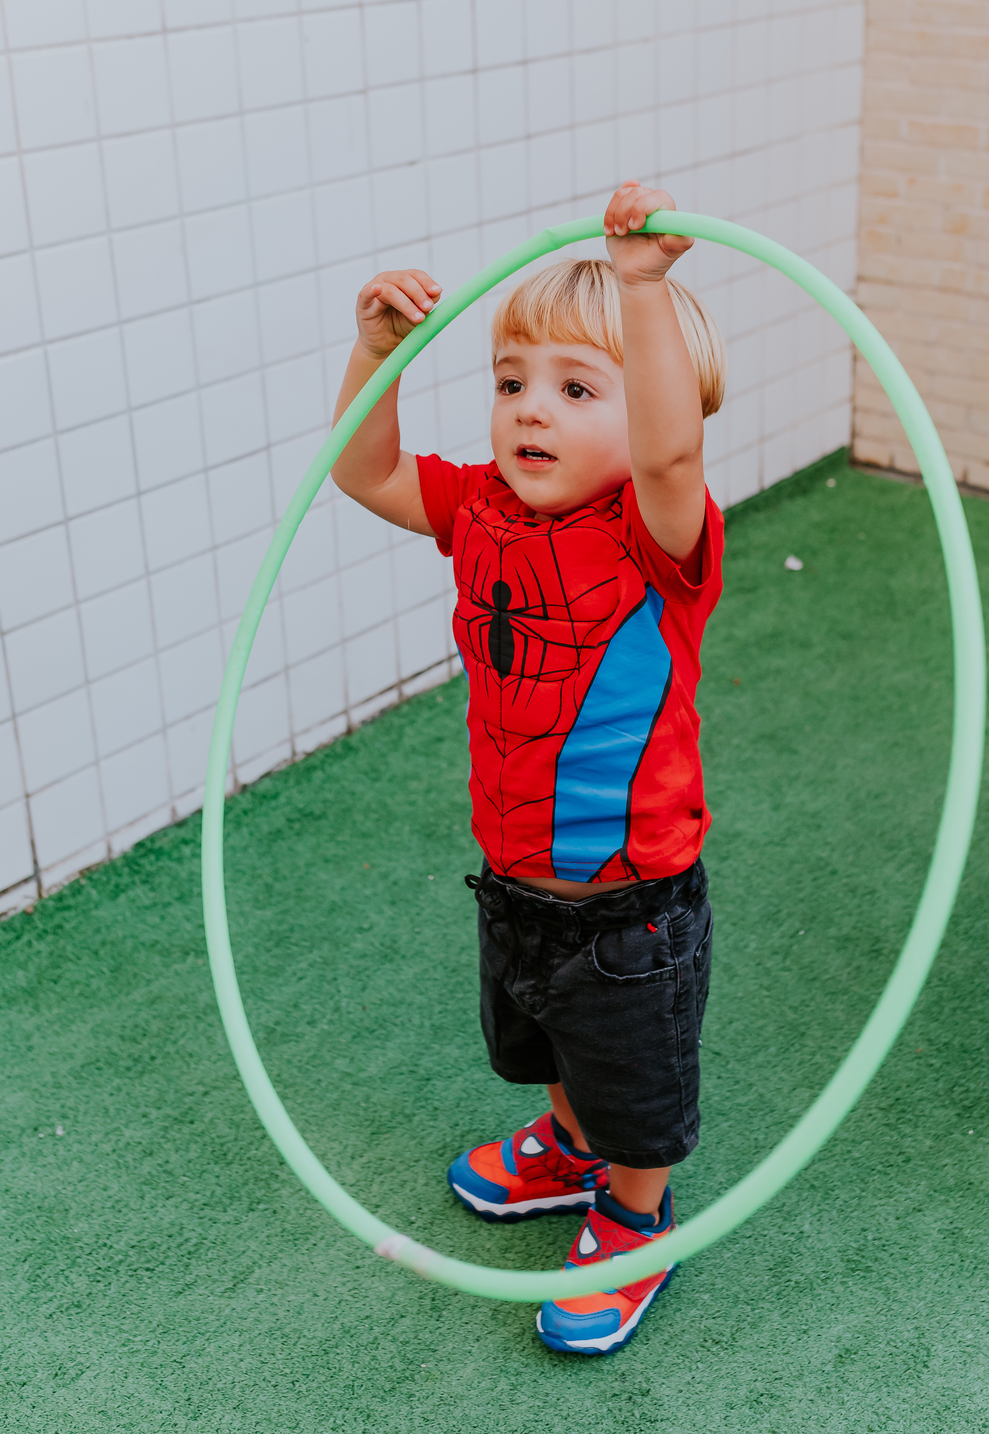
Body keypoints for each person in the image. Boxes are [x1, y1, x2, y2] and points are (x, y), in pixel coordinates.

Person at [331, 180, 726, 1355]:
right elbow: (361, 471)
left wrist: (642, 287)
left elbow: (670, 449)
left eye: (575, 388)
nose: (529, 410)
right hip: (512, 876)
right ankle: (570, 1145)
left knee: (632, 1077)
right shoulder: (484, 508)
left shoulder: (657, 536)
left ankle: (635, 1215)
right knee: (543, 1038)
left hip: (629, 903)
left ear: (650, 408)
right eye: (511, 383)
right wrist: (377, 355)